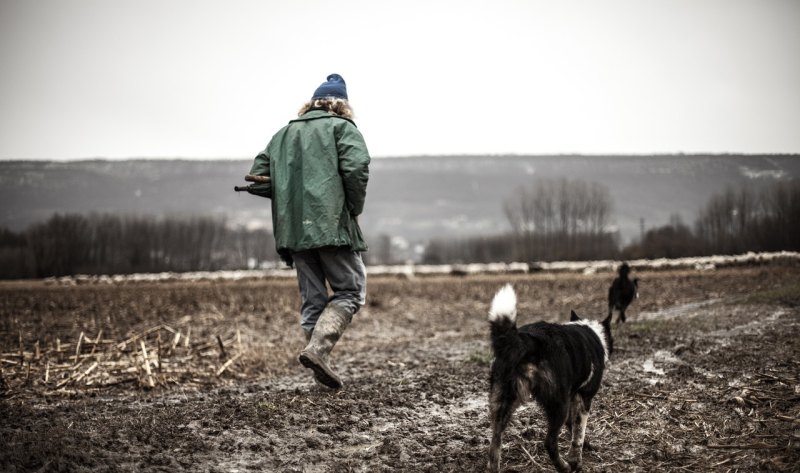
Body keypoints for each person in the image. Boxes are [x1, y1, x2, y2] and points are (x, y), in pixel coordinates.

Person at [245, 73, 370, 390]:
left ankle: (319, 365)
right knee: (351, 291)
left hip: (293, 231)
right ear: (340, 105)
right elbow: (356, 168)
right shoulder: (342, 128)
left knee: (313, 299)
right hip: (330, 226)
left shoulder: (282, 135)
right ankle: (318, 350)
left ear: (311, 104)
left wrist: (288, 192)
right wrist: (353, 208)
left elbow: (258, 178)